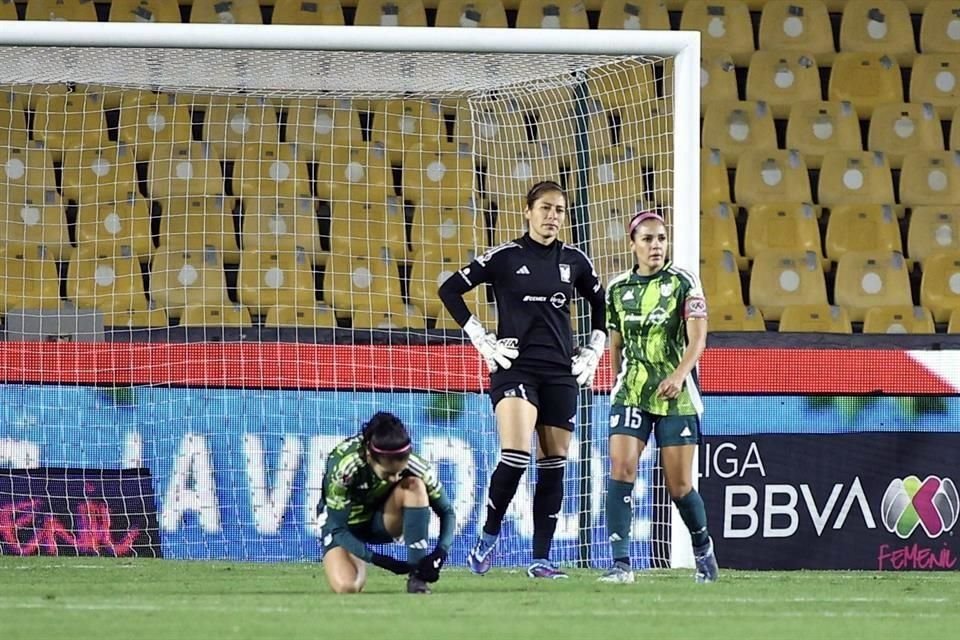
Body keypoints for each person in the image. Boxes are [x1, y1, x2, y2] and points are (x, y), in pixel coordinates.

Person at [438, 180, 606, 579]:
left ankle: (542, 558)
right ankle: (488, 538)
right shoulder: (506, 256)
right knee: (516, 454)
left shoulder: (575, 261)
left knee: (554, 463)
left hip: (560, 372)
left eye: (559, 210)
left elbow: (601, 303)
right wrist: (480, 336)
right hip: (514, 365)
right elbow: (449, 289)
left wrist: (595, 347)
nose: (552, 217)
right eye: (545, 208)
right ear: (527, 211)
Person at [598, 210, 718, 584]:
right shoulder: (617, 289)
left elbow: (698, 338)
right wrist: (620, 382)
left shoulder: (684, 282)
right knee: (621, 470)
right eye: (648, 239)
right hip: (632, 392)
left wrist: (680, 375)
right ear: (633, 244)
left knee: (679, 486)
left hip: (675, 396)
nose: (656, 246)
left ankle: (703, 551)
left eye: (661, 239)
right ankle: (621, 564)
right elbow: (615, 344)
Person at [318, 411, 455, 594]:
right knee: (347, 587)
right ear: (369, 456)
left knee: (415, 486)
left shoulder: (417, 466)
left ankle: (417, 577)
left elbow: (447, 511)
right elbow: (337, 528)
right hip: (345, 527)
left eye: (399, 472)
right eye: (387, 473)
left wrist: (441, 552)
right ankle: (353, 553)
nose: (394, 478)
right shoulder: (345, 468)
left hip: (382, 520)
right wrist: (376, 559)